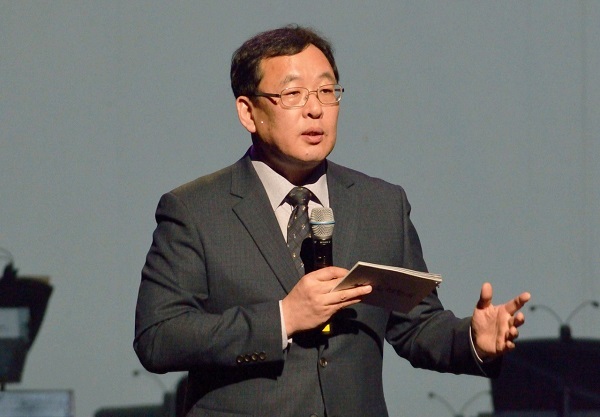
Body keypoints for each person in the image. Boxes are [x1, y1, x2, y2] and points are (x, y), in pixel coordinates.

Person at [134, 25, 530, 417]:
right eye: (293, 94)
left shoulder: (380, 204)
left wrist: (473, 340)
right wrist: (283, 318)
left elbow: (417, 325)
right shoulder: (195, 210)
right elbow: (158, 337)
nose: (315, 109)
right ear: (248, 112)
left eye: (326, 91)